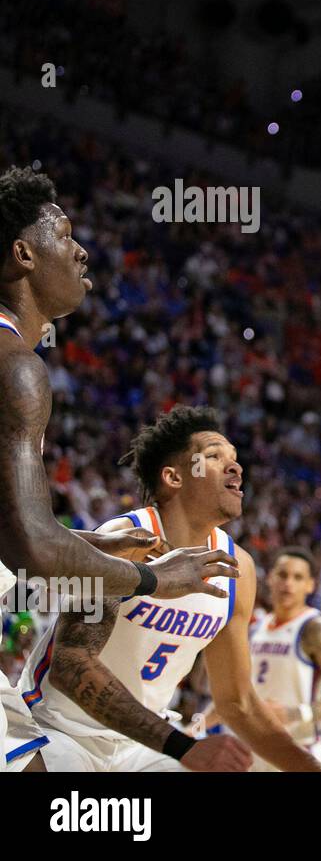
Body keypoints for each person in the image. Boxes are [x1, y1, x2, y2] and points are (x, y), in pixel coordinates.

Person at [0, 167, 238, 771]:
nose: (80, 250)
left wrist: (89, 543)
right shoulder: (16, 369)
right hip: (72, 733)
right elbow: (30, 545)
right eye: (64, 236)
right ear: (23, 255)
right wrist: (155, 581)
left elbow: (13, 536)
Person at [8, 406, 321, 771]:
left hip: (141, 742)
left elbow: (237, 703)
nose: (236, 467)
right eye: (213, 457)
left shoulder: (240, 569)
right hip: (59, 729)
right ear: (174, 477)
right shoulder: (123, 541)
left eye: (235, 459)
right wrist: (182, 747)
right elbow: (71, 665)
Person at [203, 547, 321, 770]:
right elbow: (233, 696)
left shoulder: (315, 628)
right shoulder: (255, 628)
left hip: (299, 750)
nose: (288, 584)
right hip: (252, 755)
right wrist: (195, 727)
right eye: (282, 575)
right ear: (271, 578)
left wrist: (294, 713)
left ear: (310, 585)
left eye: (298, 577)